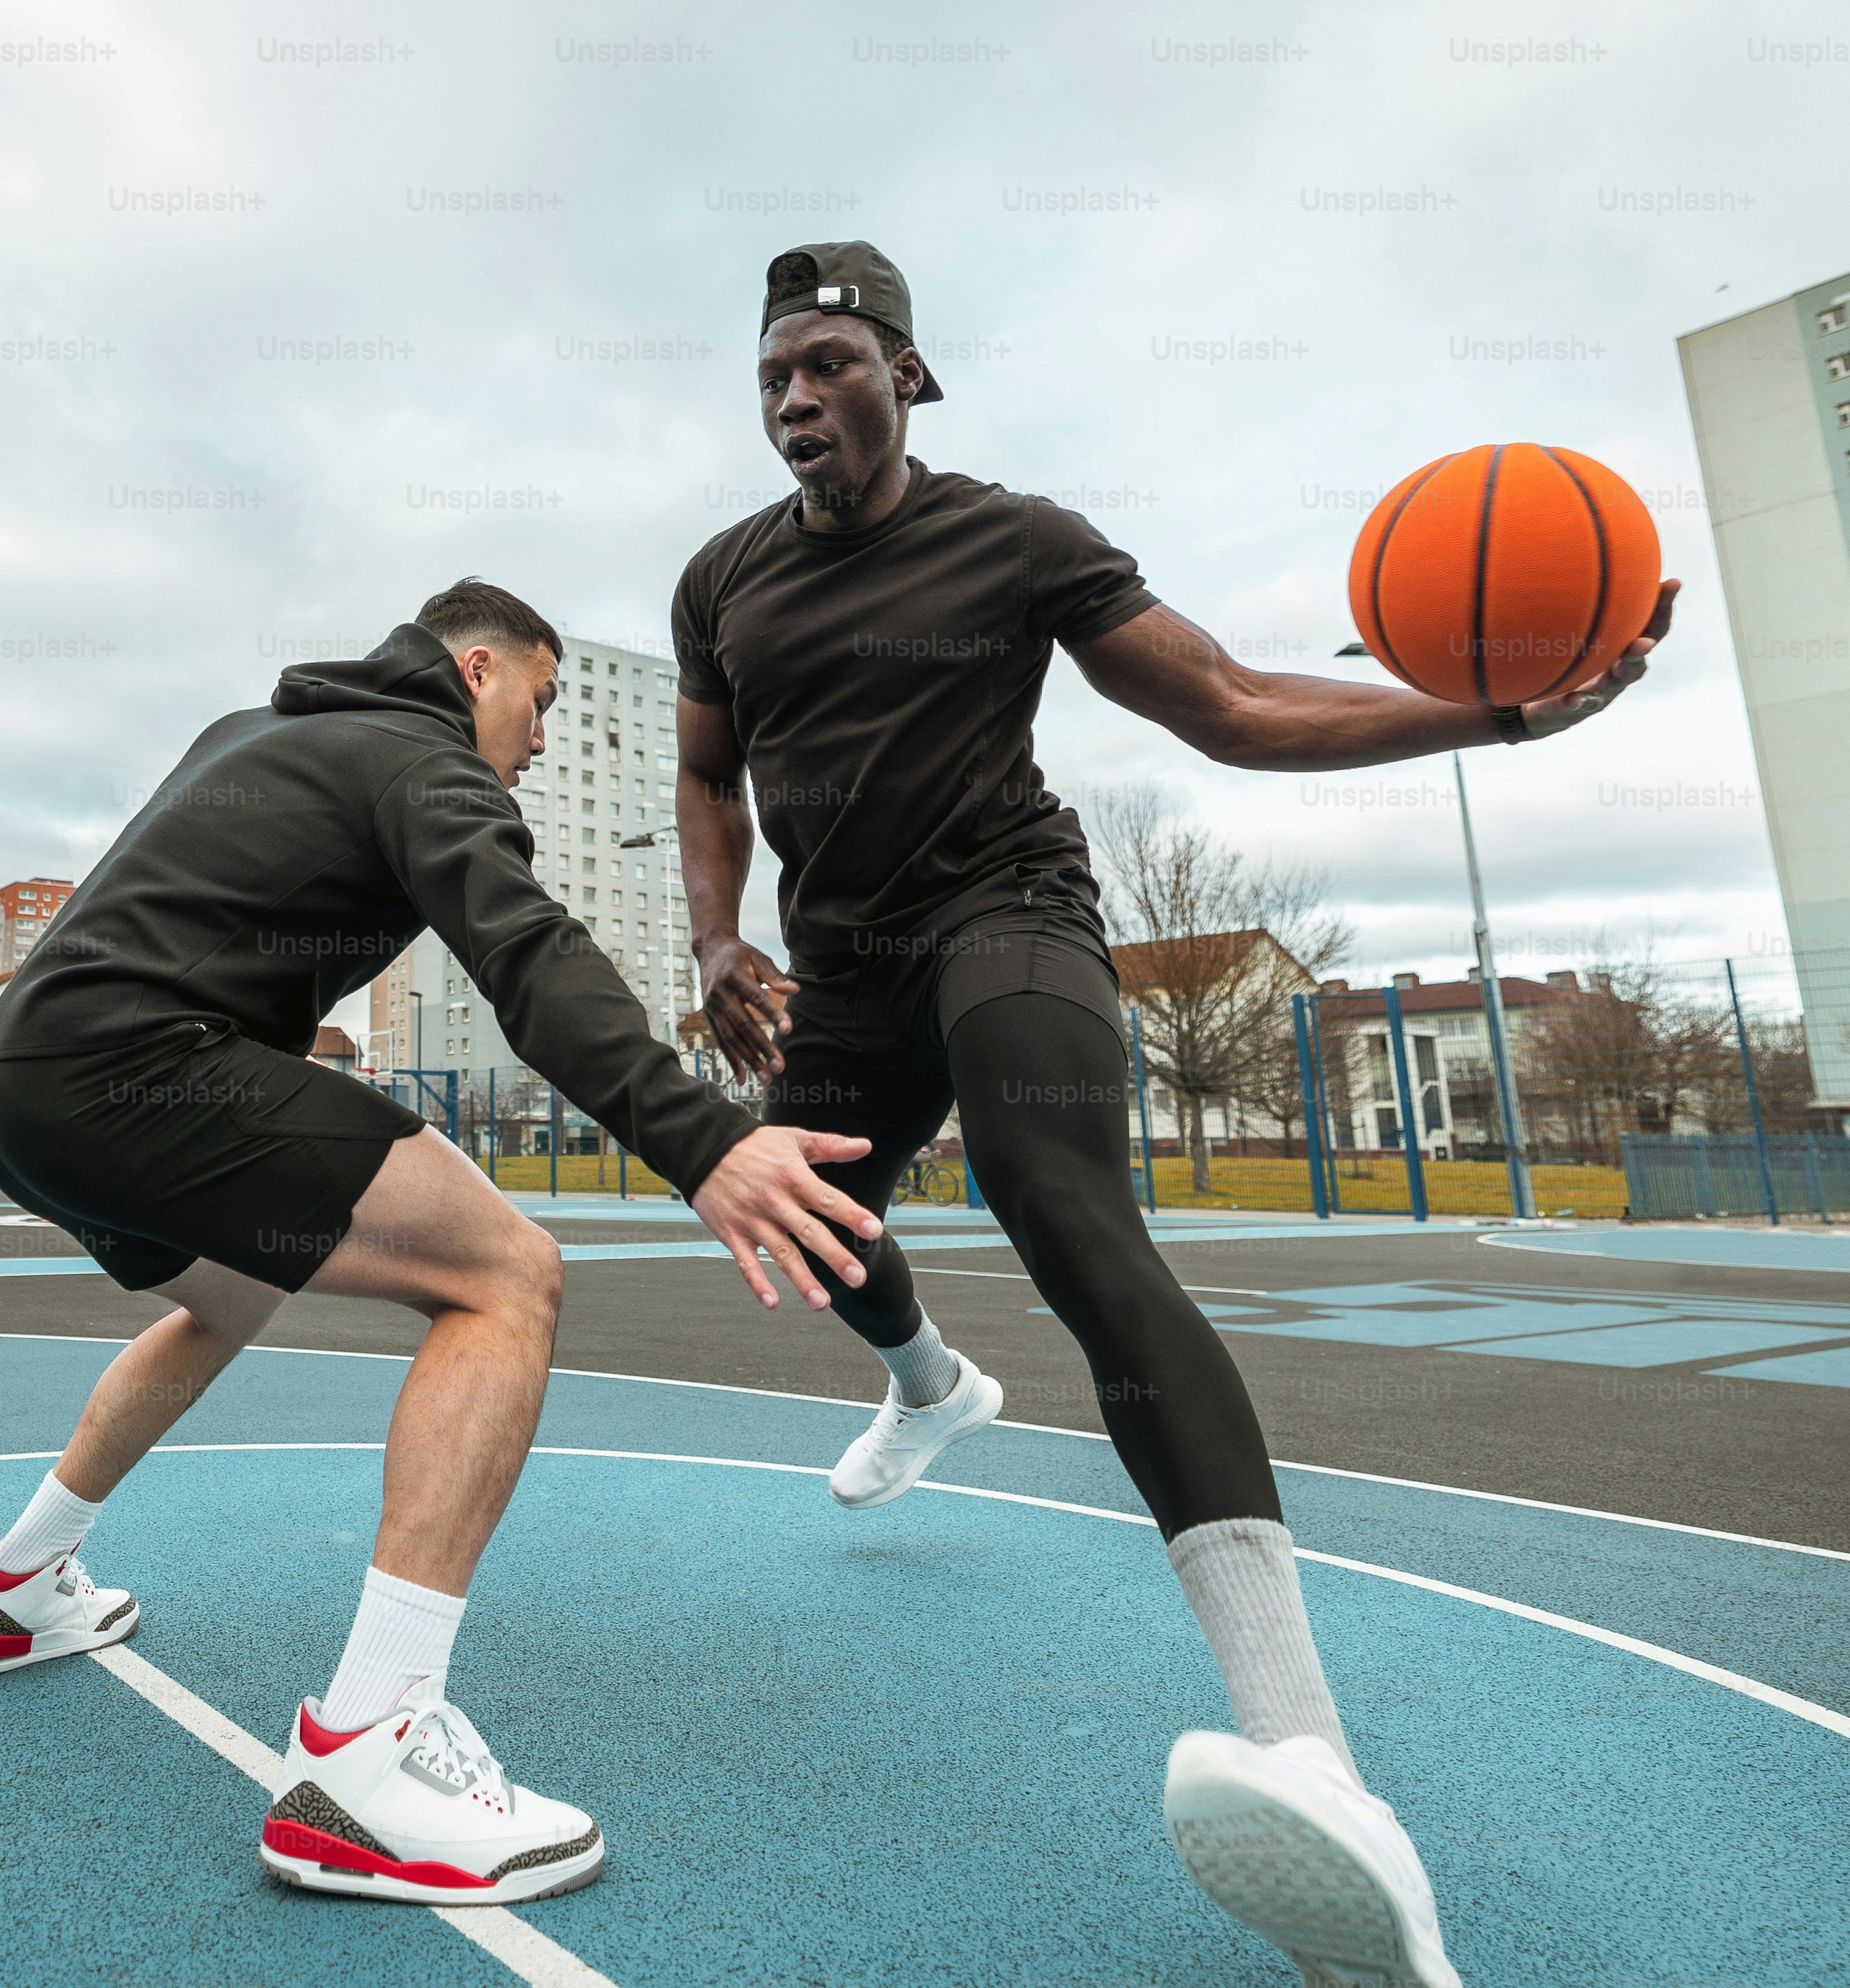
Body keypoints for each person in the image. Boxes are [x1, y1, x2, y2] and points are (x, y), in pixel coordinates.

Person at [674, 243, 1678, 1985]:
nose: (789, 396)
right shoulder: (720, 581)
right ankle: (927, 1381)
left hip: (1008, 913)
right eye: (769, 372)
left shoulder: (1019, 538)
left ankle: (1315, 1759)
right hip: (836, 965)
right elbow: (700, 768)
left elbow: (1226, 704)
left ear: (907, 379)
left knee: (1056, 1202)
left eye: (826, 362)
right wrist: (711, 931)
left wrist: (1498, 714)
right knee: (807, 1222)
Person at [0, 579, 882, 1907]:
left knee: (232, 1294)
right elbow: (529, 953)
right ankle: (369, 1762)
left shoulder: (248, 731)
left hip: (20, 1082)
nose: (543, 738)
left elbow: (190, 914)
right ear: (477, 666)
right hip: (136, 1069)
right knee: (506, 1272)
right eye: (541, 702)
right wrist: (702, 1140)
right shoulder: (423, 756)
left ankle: (12, 1578)